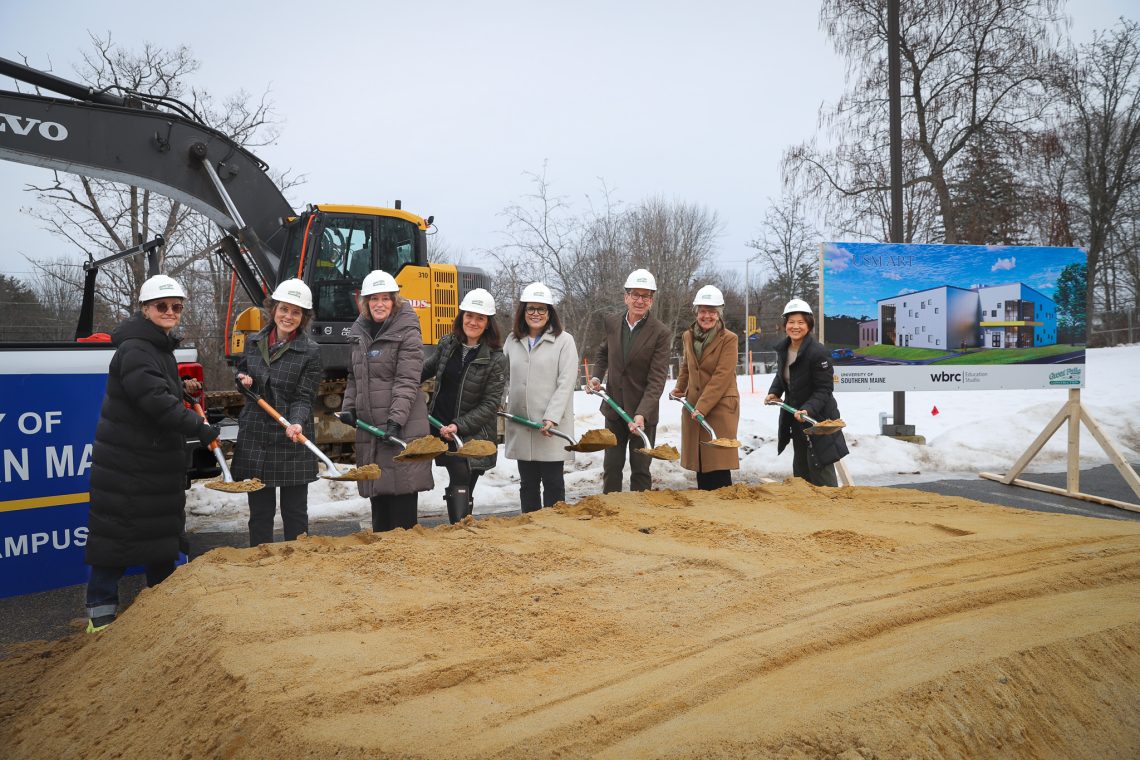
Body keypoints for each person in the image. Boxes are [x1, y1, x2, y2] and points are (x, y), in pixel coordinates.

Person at [84, 275, 220, 632]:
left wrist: (183, 389)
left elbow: (159, 389)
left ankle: (163, 607)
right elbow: (154, 402)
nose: (170, 312)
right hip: (129, 466)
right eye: (162, 306)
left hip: (151, 464)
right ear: (145, 309)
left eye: (176, 307)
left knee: (159, 539)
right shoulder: (136, 349)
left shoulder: (156, 346)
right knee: (116, 538)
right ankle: (100, 613)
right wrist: (200, 428)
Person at [231, 279, 322, 546]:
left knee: (294, 513)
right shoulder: (254, 341)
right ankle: (261, 563)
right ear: (274, 309)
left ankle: (296, 566)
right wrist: (242, 379)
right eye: (284, 309)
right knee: (260, 513)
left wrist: (296, 423)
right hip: (256, 438)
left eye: (296, 312)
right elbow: (242, 373)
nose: (288, 317)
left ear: (303, 317)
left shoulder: (310, 352)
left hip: (291, 437)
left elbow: (304, 396)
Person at [341, 270, 433, 531]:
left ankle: (407, 564)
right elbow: (354, 375)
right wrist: (348, 406)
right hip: (372, 429)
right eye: (373, 299)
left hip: (400, 426)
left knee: (402, 497)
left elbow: (408, 380)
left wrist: (395, 420)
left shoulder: (407, 330)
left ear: (394, 301)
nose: (379, 304)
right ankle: (382, 563)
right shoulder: (360, 331)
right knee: (379, 495)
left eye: (385, 298)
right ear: (366, 302)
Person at [422, 287, 507, 523]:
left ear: (488, 323)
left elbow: (491, 404)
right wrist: (402, 383)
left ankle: (460, 528)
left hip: (473, 431)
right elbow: (426, 370)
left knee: (466, 475)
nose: (473, 322)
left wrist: (458, 426)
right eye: (469, 316)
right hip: (440, 425)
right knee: (459, 474)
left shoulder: (495, 358)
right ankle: (460, 526)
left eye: (480, 318)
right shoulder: (448, 344)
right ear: (462, 317)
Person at [588, 268, 671, 493]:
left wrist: (642, 413)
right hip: (615, 409)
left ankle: (640, 518)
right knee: (612, 467)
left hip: (642, 414)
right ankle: (612, 514)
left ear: (652, 301)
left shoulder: (661, 333)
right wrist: (596, 376)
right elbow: (603, 353)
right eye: (635, 294)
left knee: (641, 469)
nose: (639, 300)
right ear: (626, 297)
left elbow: (657, 379)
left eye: (645, 296)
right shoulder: (613, 323)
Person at [503, 282, 578, 512]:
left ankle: (556, 532)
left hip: (549, 428)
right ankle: (530, 529)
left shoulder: (564, 341)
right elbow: (503, 377)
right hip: (522, 424)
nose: (536, 314)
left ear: (550, 313)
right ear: (523, 312)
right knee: (528, 484)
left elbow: (565, 383)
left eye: (541, 309)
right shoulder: (512, 341)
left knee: (553, 484)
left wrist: (552, 417)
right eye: (530, 309)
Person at [765, 298, 849, 487]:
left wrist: (808, 409)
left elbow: (824, 388)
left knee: (820, 468)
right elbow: (783, 376)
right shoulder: (784, 349)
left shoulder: (817, 352)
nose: (795, 326)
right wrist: (774, 392)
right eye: (791, 322)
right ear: (785, 324)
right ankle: (806, 510)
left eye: (800, 322)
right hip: (796, 419)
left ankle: (830, 510)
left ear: (809, 325)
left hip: (818, 420)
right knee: (801, 471)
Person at [670, 285, 740, 490]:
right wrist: (679, 388)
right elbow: (687, 365)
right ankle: (706, 506)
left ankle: (722, 506)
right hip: (695, 405)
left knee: (717, 461)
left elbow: (722, 375)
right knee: (701, 461)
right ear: (696, 312)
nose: (706, 316)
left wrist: (703, 405)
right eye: (702, 311)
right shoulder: (688, 336)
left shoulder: (729, 339)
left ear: (719, 314)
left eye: (712, 312)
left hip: (719, 405)